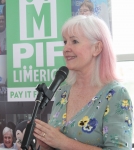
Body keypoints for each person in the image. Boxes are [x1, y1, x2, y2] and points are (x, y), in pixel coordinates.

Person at [33, 15, 133, 150]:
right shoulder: (63, 91)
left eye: (74, 41)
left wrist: (63, 142)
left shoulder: (116, 94)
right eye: (65, 42)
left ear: (97, 48)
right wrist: (46, 143)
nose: (66, 49)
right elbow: (56, 144)